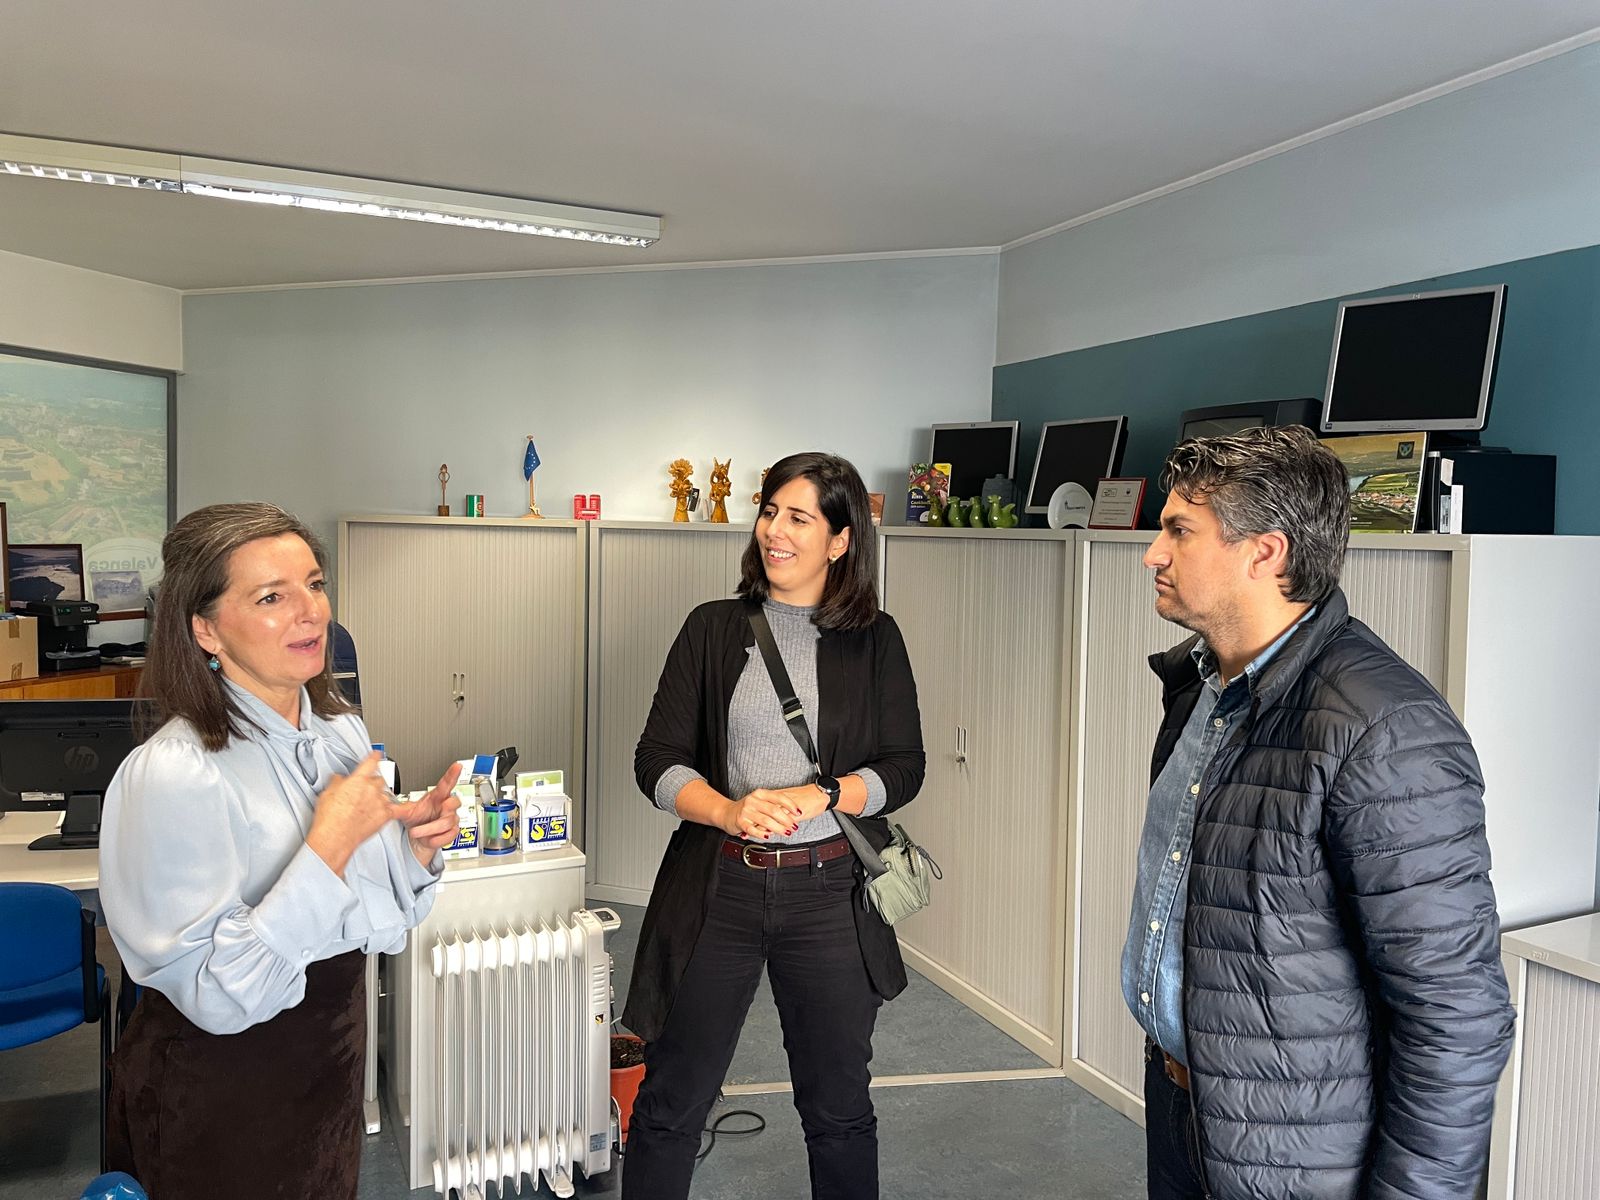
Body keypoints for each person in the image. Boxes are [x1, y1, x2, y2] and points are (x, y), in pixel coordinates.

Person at [1123, 425, 1515, 1200]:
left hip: (1297, 1149)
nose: (1153, 555)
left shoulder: (1386, 729)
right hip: (1181, 1100)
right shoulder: (1200, 689)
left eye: (1179, 531)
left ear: (1264, 553)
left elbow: (1455, 1018)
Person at [99, 503, 463, 1200]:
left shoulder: (339, 733)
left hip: (328, 1066)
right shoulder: (173, 773)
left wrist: (410, 852)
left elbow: (369, 921)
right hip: (220, 1088)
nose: (311, 612)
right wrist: (329, 844)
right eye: (272, 596)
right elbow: (216, 994)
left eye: (315, 584)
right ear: (205, 628)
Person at [622, 452, 924, 1200]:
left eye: (798, 518)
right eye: (768, 512)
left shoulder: (875, 639)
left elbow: (905, 767)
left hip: (830, 897)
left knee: (839, 1110)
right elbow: (655, 760)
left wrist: (829, 795)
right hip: (717, 886)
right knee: (670, 1102)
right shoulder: (712, 628)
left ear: (840, 540)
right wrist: (728, 810)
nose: (774, 532)